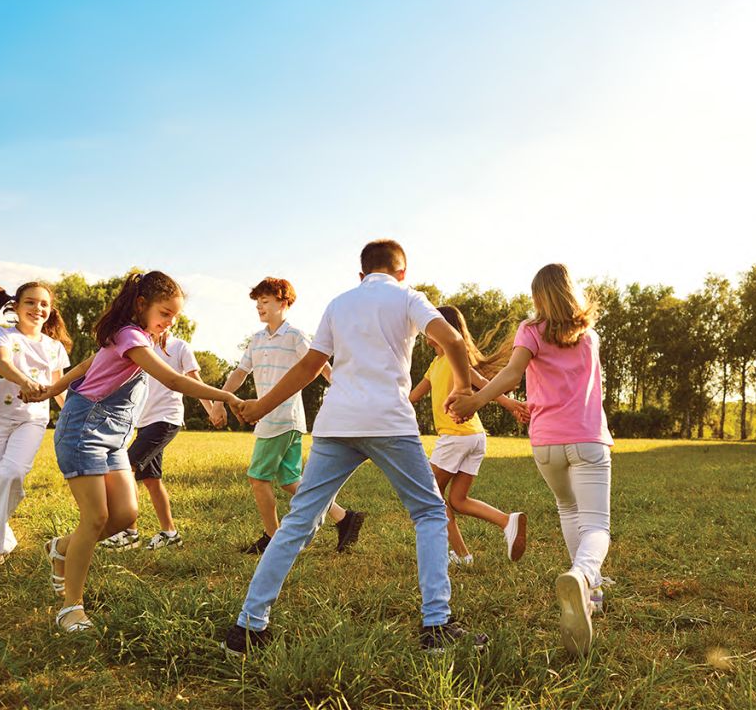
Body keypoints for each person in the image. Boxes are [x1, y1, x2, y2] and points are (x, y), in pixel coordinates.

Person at [224, 240, 487, 655]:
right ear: (402, 272)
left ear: (361, 275)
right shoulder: (409, 297)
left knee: (298, 521)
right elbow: (453, 341)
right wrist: (464, 388)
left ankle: (247, 628)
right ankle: (436, 626)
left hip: (337, 424)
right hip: (389, 422)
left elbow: (309, 367)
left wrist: (261, 405)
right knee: (429, 512)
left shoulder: (339, 303)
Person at [32, 270, 241, 633]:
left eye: (174, 316)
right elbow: (173, 379)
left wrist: (52, 390)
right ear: (141, 305)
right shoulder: (130, 336)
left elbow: (86, 365)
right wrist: (227, 396)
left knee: (125, 515)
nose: (169, 322)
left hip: (114, 438)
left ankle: (62, 548)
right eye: (164, 313)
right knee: (95, 518)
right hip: (83, 431)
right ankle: (71, 608)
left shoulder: (138, 337)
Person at [447, 263, 613, 656]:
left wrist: (475, 401)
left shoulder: (531, 330)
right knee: (596, 525)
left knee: (568, 508)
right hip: (587, 438)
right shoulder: (589, 336)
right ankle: (584, 575)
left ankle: (591, 594)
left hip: (546, 443)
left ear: (539, 297)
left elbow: (511, 374)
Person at [216, 277, 365, 555]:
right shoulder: (256, 340)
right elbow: (240, 372)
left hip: (283, 418)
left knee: (258, 479)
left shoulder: (296, 336)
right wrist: (220, 400)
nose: (260, 307)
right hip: (273, 420)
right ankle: (345, 518)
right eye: (257, 302)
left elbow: (319, 365)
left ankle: (273, 538)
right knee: (290, 481)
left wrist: (344, 391)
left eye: (265, 301)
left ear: (284, 302)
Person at [0, 269, 79, 575]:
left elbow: (59, 388)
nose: (38, 308)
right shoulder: (2, 335)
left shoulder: (54, 347)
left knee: (11, 473)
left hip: (32, 420)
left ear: (50, 311)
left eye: (44, 304)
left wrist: (76, 416)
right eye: (31, 302)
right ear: (16, 306)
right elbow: (3, 364)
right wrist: (26, 382)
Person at [409, 304, 529, 566]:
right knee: (458, 500)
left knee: (431, 494)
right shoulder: (439, 363)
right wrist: (510, 404)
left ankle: (462, 554)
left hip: (456, 436)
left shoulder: (454, 359)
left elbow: (482, 384)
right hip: (474, 436)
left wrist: (510, 404)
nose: (426, 334)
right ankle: (506, 522)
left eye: (429, 328)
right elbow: (412, 396)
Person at [101, 331, 227, 551]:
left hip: (166, 419)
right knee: (151, 479)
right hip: (144, 421)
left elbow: (194, 380)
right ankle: (170, 533)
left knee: (125, 469)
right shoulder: (140, 346)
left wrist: (211, 409)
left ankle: (129, 533)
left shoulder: (180, 347)